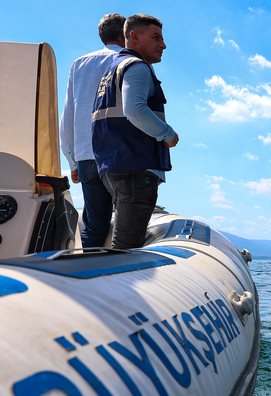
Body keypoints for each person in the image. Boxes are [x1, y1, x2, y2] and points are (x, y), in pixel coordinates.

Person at [92, 14, 179, 249]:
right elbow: (135, 110)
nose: (163, 45)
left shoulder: (112, 70)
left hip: (113, 166)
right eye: (156, 37)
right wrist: (168, 134)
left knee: (122, 242)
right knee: (126, 248)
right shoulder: (137, 67)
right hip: (134, 168)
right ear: (134, 37)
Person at [59, 13, 125, 248]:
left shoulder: (79, 64)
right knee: (127, 228)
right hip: (122, 156)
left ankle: (88, 276)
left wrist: (73, 162)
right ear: (126, 34)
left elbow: (67, 117)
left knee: (94, 227)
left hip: (87, 156)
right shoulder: (131, 61)